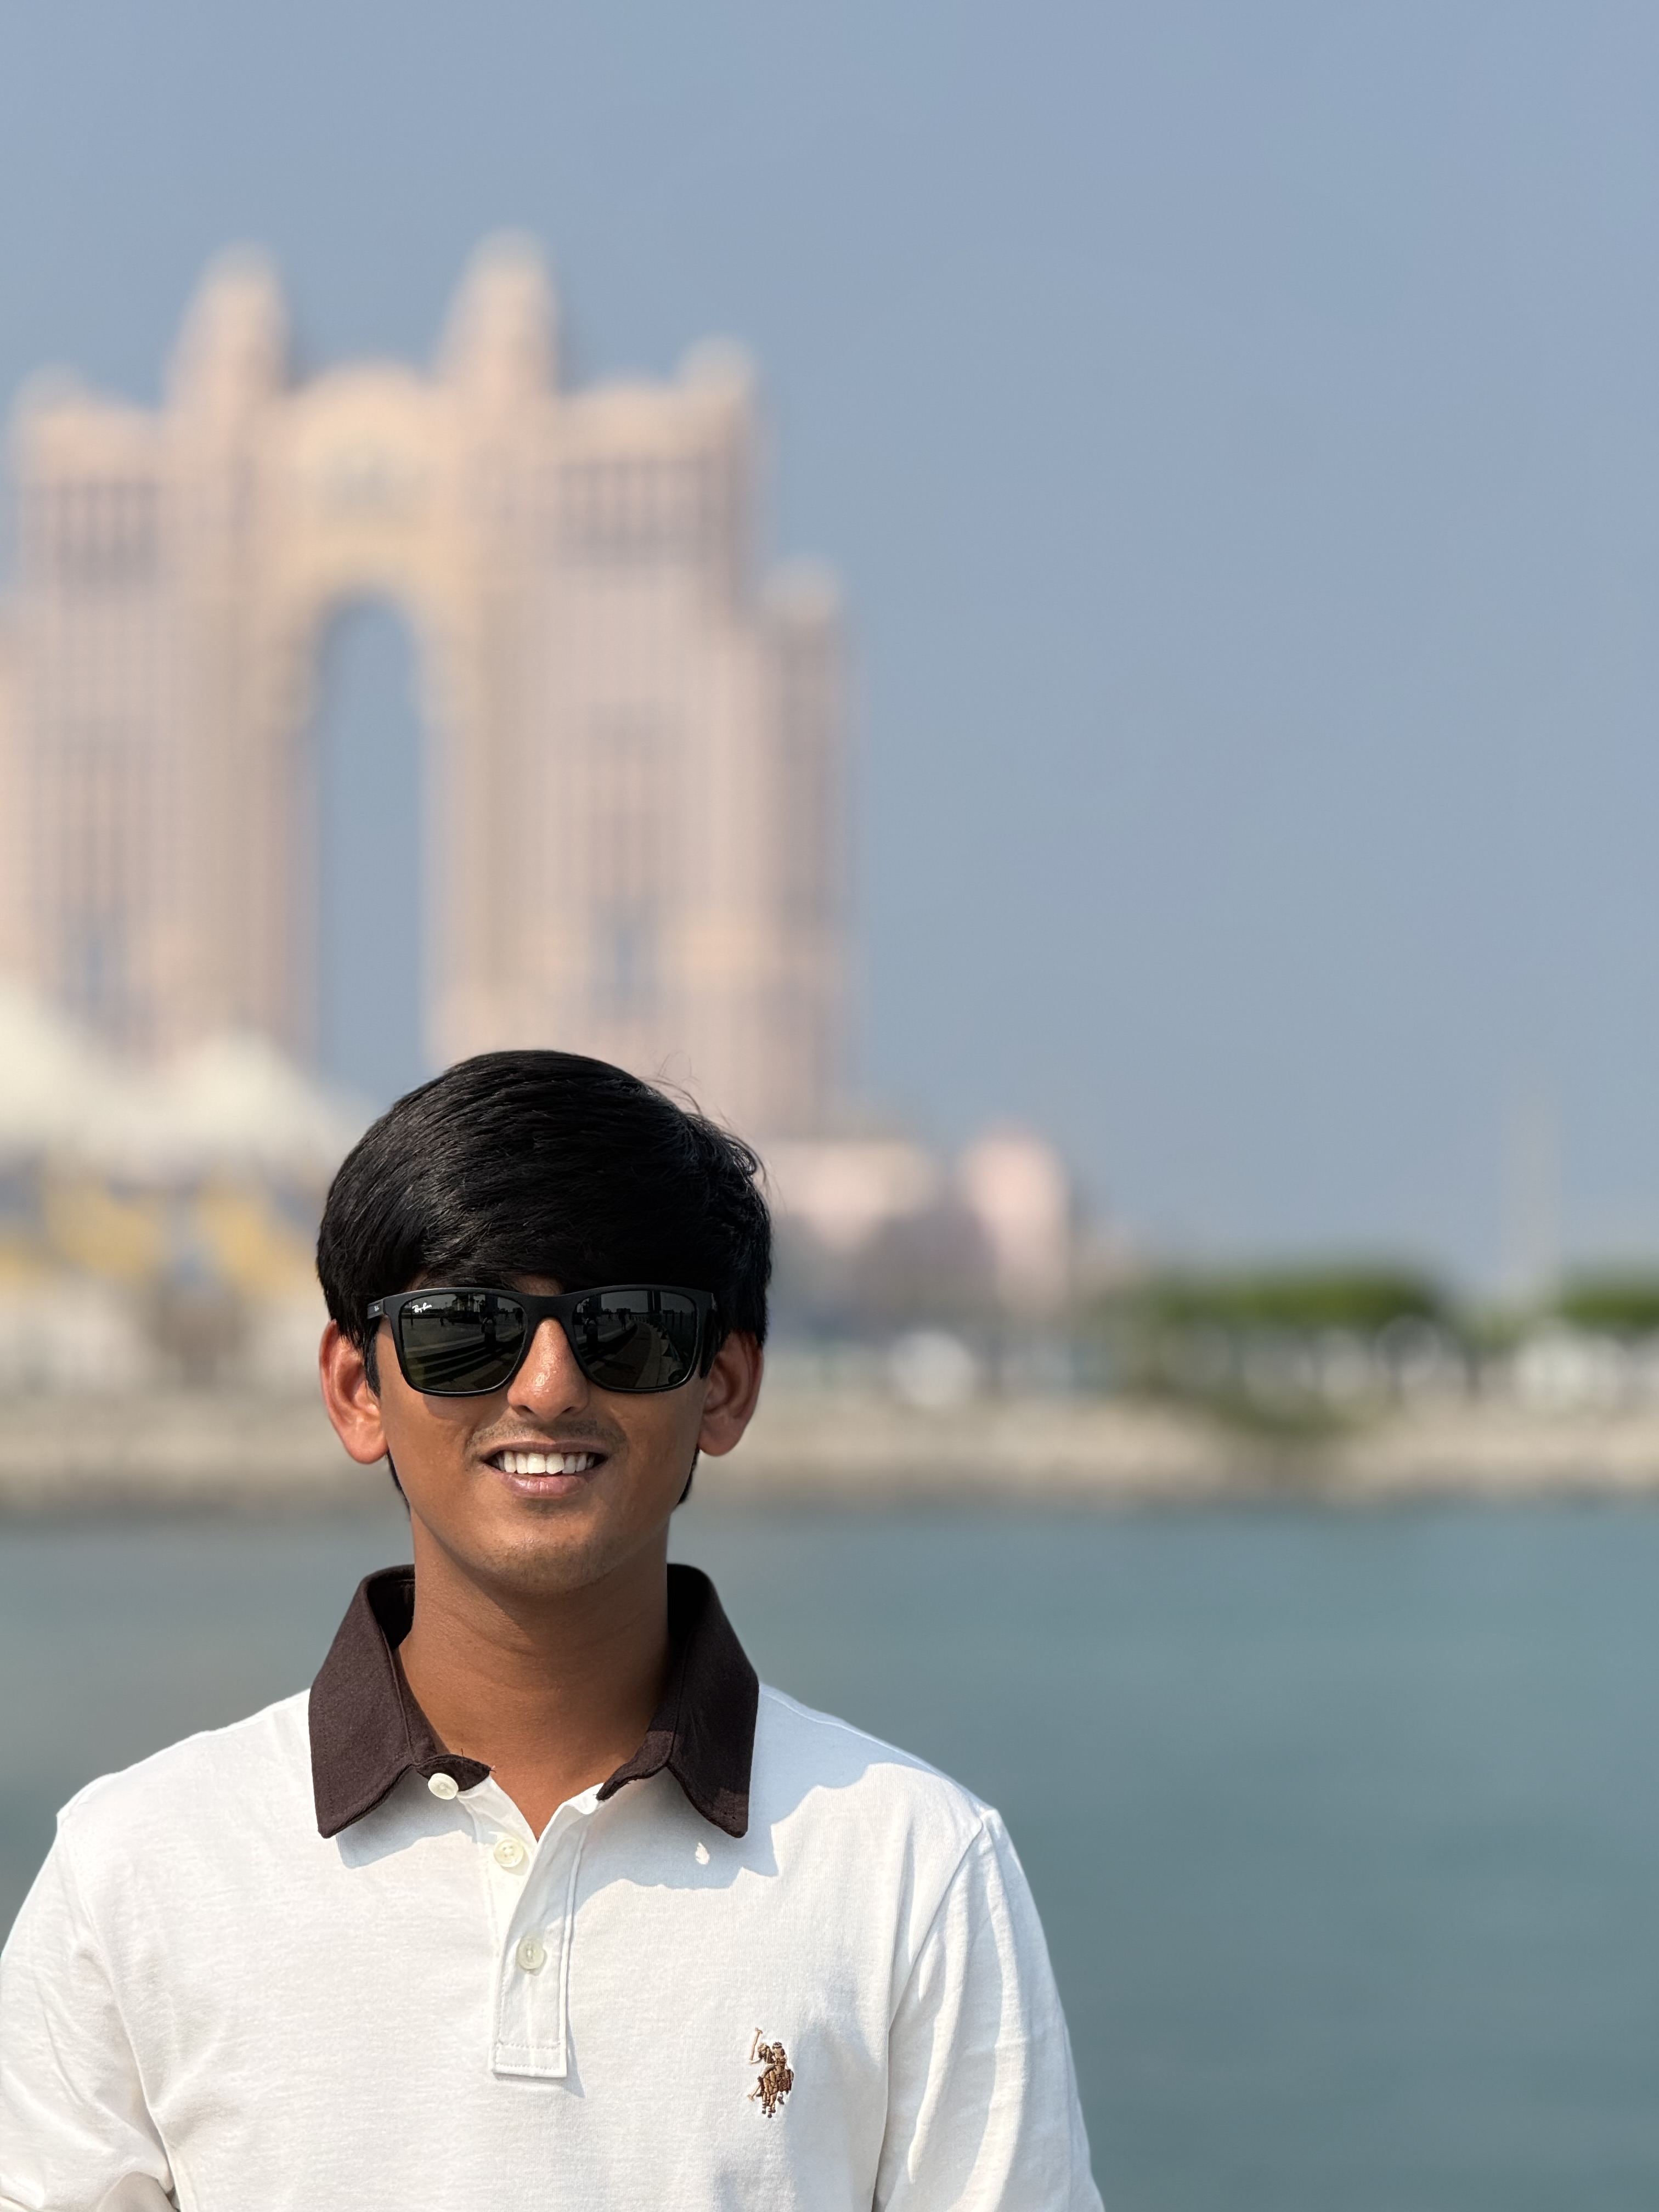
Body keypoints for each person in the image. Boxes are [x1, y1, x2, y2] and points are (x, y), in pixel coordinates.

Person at [0, 1051, 1102, 2210]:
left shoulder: (910, 1866)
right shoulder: (139, 1867)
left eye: (625, 1328)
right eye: (464, 1329)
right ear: (358, 1390)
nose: (547, 1386)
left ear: (724, 1387)